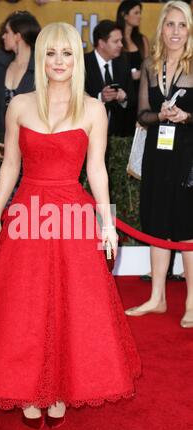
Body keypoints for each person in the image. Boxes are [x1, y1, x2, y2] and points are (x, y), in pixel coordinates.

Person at [0, 22, 141, 429]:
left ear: (76, 58)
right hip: (26, 216)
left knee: (72, 307)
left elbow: (97, 171)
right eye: (51, 53)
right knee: (24, 307)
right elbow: (11, 165)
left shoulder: (92, 109)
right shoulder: (19, 105)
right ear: (40, 58)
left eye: (67, 53)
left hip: (71, 215)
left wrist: (107, 223)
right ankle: (27, 386)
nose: (58, 61)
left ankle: (59, 389)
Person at [125, 2, 193, 328]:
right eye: (170, 25)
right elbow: (141, 114)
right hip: (158, 152)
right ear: (161, 28)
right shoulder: (151, 66)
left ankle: (192, 302)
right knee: (156, 222)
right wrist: (162, 115)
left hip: (189, 156)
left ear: (190, 29)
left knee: (187, 227)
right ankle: (157, 297)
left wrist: (187, 116)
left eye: (182, 25)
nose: (176, 32)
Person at [0, 11, 40, 215]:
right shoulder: (1, 67)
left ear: (18, 36)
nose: (3, 37)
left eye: (7, 32)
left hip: (30, 158)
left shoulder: (41, 73)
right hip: (0, 155)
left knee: (26, 219)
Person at [84, 20, 134, 137]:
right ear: (101, 43)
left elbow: (133, 98)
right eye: (116, 41)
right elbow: (76, 98)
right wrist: (101, 97)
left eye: (121, 40)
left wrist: (124, 98)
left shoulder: (123, 62)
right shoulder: (83, 63)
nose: (121, 45)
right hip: (89, 134)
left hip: (118, 137)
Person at [116, 0, 149, 135]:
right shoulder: (117, 40)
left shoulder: (142, 40)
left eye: (140, 13)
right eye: (136, 13)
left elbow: (149, 66)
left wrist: (142, 74)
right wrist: (130, 76)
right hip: (121, 92)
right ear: (124, 15)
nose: (139, 16)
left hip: (139, 90)